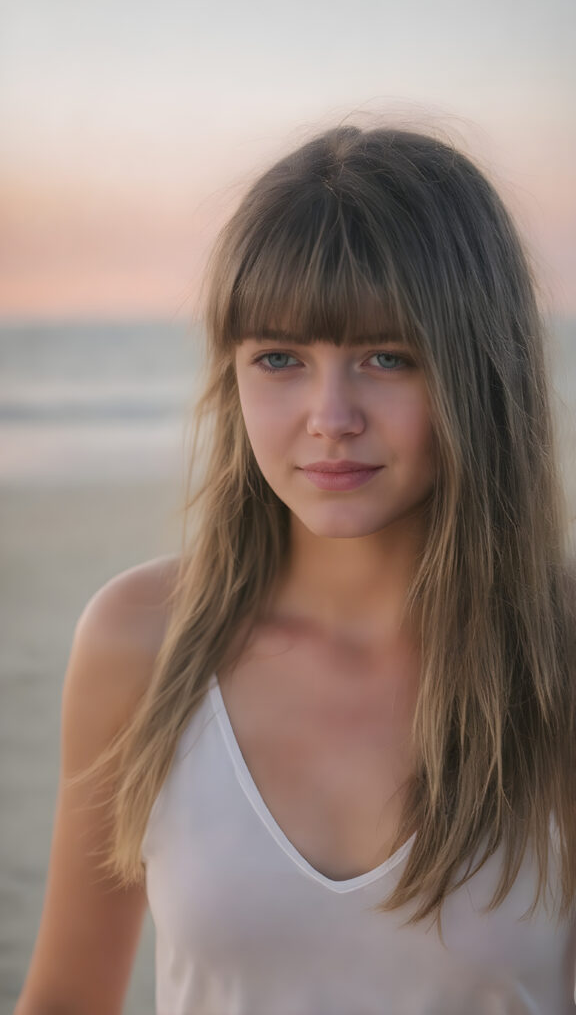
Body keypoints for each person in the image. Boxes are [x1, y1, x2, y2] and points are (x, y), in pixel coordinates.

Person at [15, 122, 576, 1015]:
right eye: (279, 358)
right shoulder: (142, 643)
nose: (330, 414)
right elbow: (68, 1000)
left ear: (478, 371)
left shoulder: (555, 656)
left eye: (387, 357)